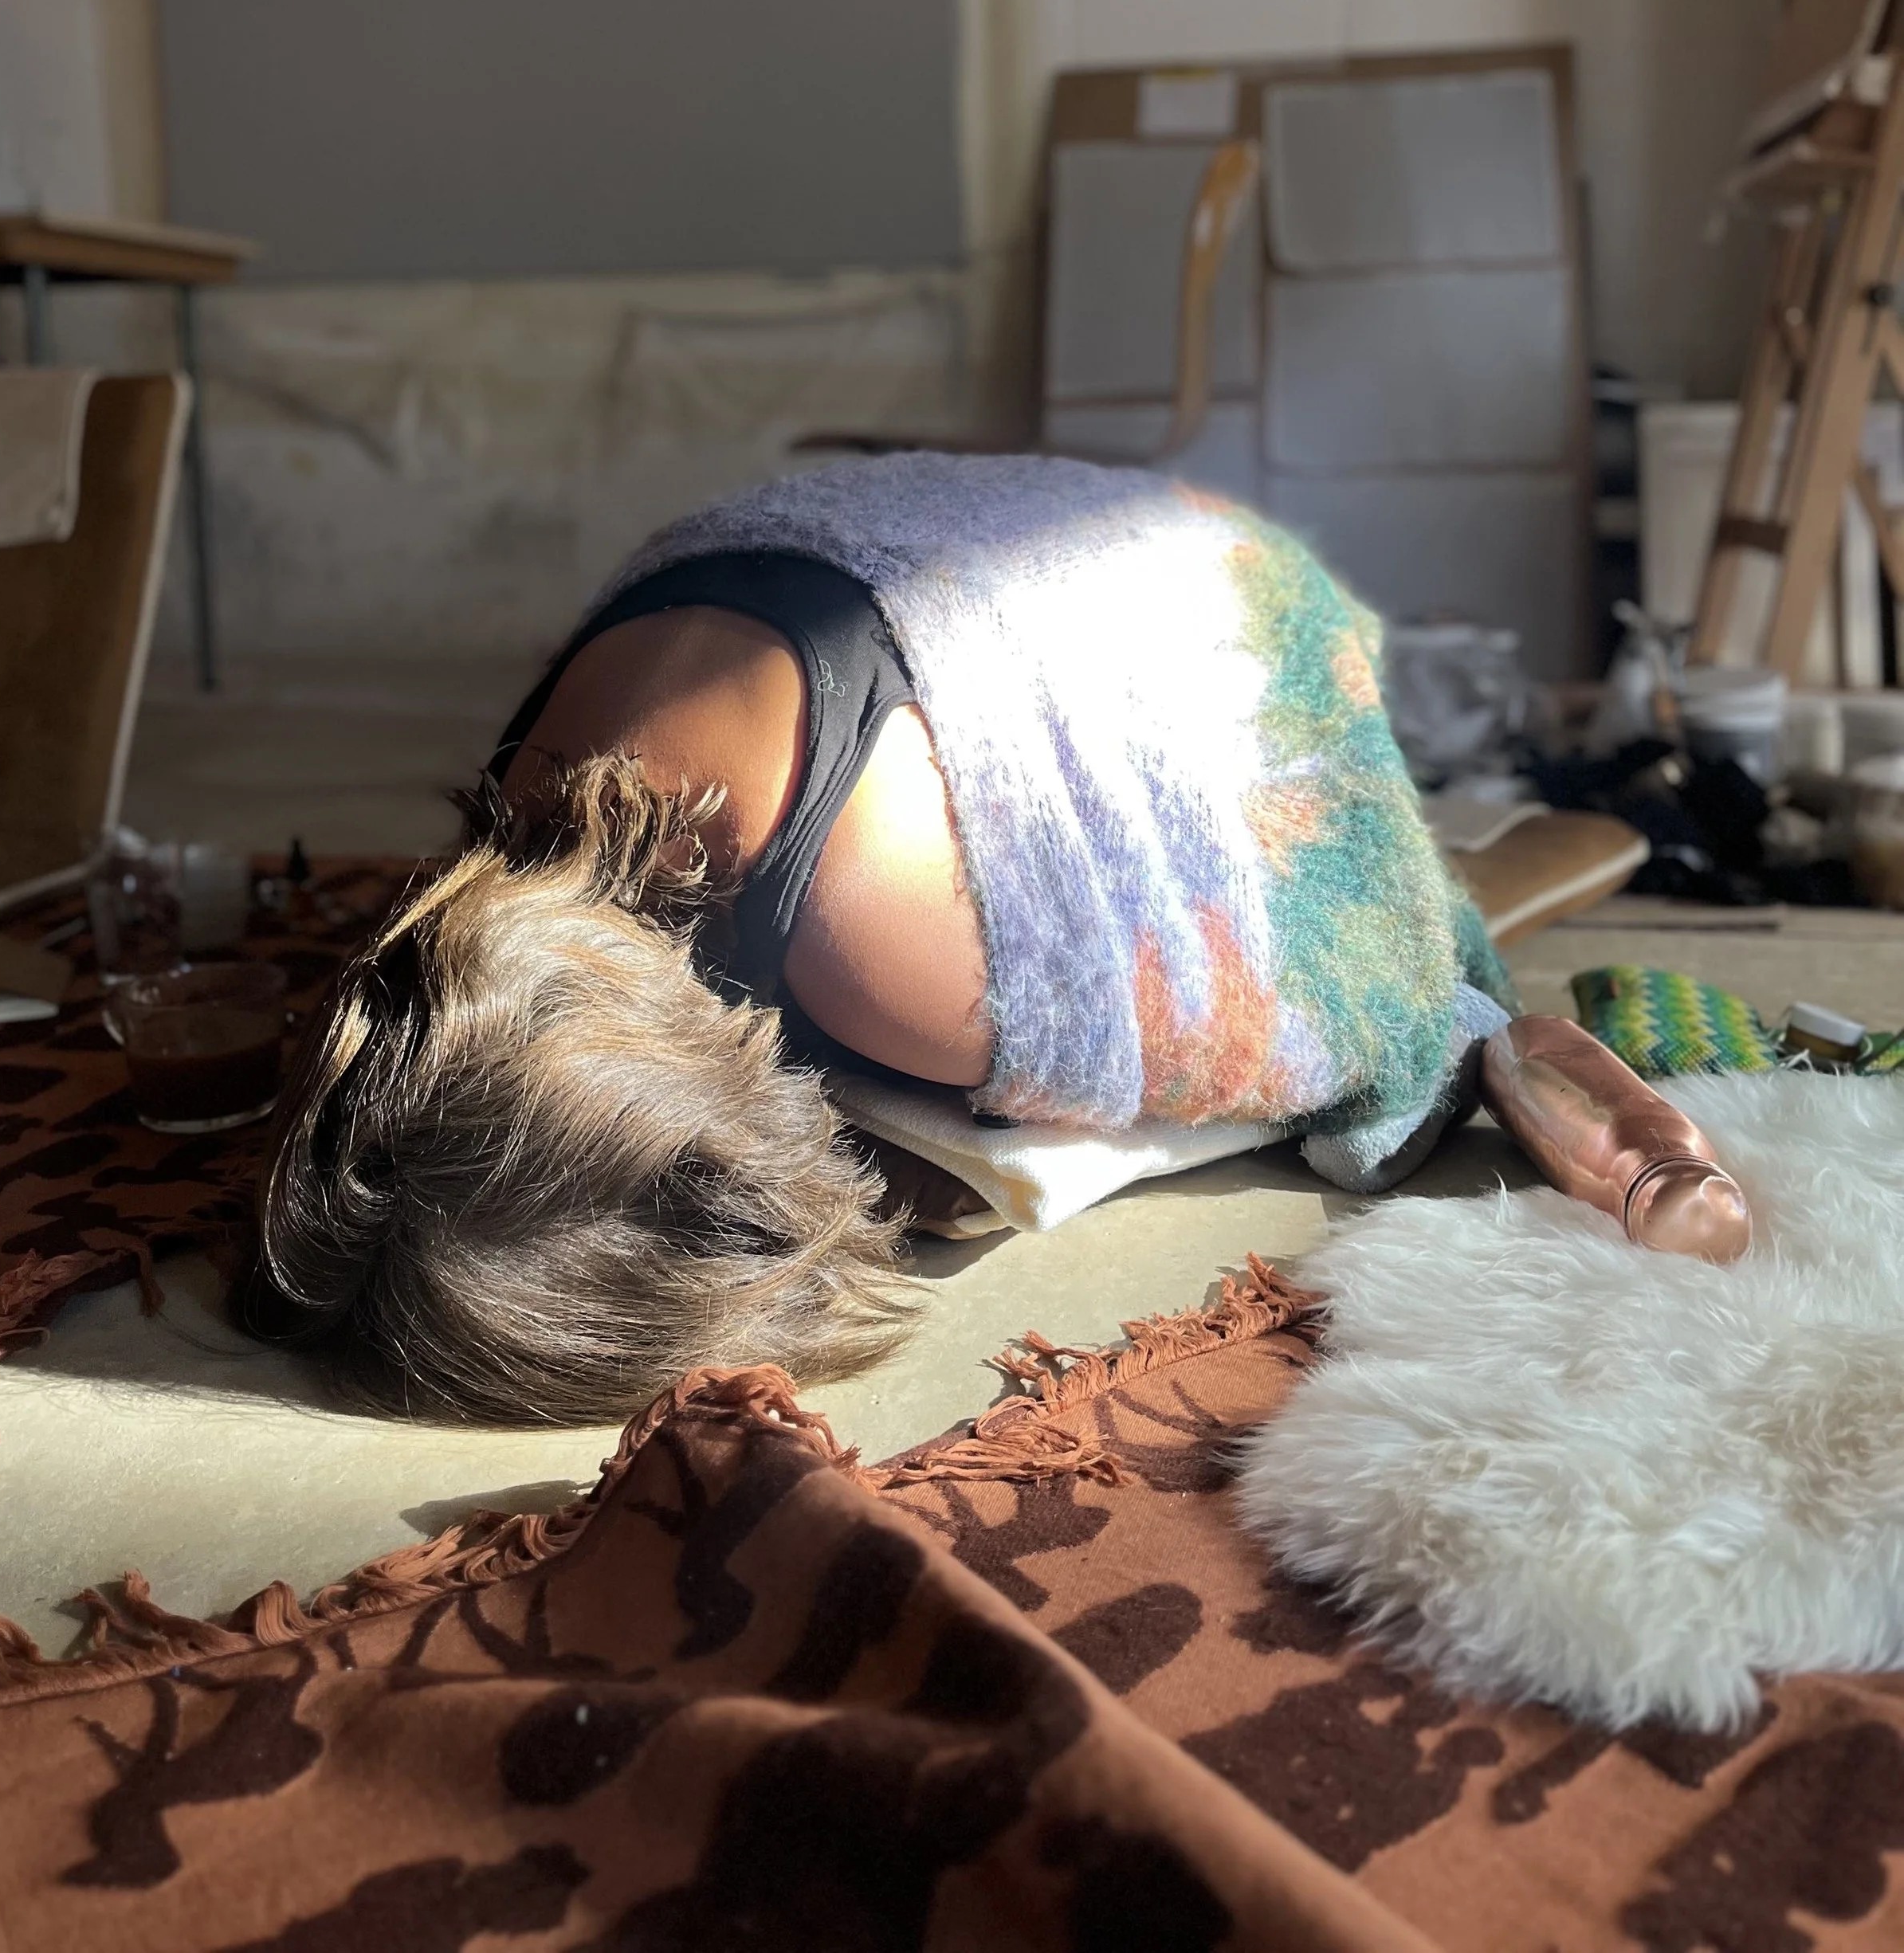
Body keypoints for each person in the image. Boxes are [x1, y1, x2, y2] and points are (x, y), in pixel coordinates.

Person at [250, 452, 1512, 1424]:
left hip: (1181, 574)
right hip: (881, 531)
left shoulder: (900, 969)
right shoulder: (513, 840)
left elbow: (1364, 1020)